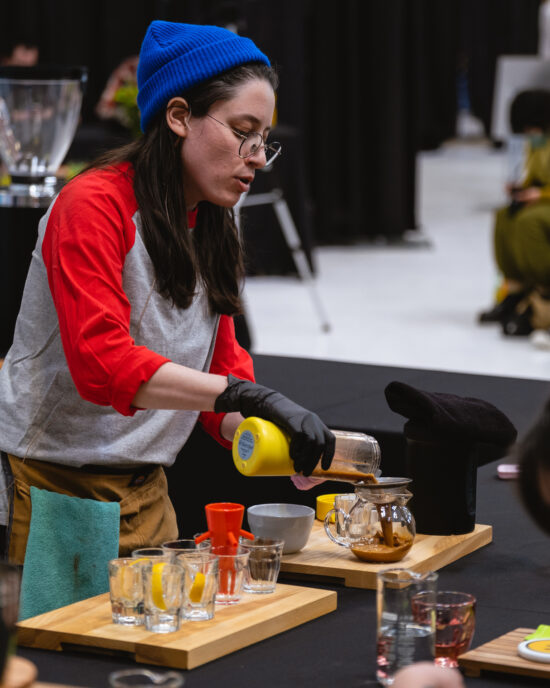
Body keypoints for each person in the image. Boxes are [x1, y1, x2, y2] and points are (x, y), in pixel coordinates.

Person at [0, 20, 335, 564]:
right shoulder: (92, 205)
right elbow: (103, 365)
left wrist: (270, 432)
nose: (256, 157)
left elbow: (220, 376)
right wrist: (238, 396)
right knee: (61, 648)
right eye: (243, 132)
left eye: (264, 141)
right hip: (52, 488)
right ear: (179, 116)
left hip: (149, 495)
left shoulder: (213, 221)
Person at [478, 89, 550, 336]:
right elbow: (535, 174)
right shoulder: (538, 143)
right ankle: (516, 289)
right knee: (504, 216)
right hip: (542, 198)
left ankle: (543, 289)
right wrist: (523, 189)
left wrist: (540, 195)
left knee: (529, 222)